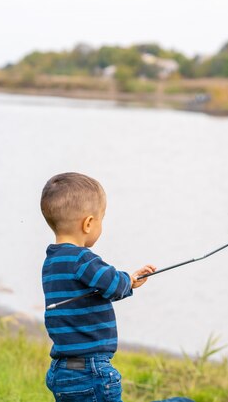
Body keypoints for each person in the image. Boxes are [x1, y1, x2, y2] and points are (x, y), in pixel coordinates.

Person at [40, 172, 171, 402]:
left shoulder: (52, 261)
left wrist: (126, 283)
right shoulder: (82, 259)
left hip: (63, 369)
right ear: (89, 223)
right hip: (91, 369)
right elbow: (111, 283)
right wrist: (128, 280)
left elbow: (97, 288)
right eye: (102, 218)